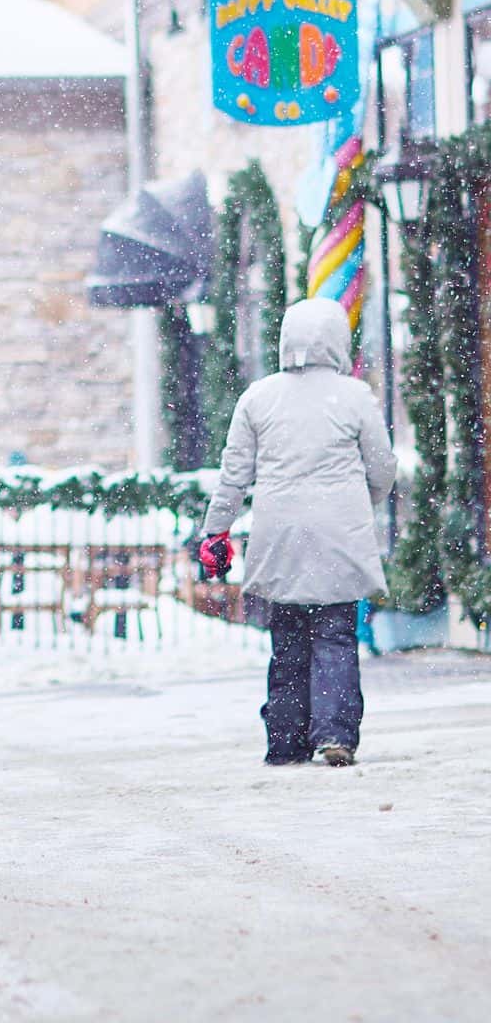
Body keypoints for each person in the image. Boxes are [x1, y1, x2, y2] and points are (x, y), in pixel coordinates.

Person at [198, 296, 396, 768]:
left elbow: (233, 475)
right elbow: (383, 467)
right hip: (338, 539)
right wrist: (359, 501)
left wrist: (215, 530)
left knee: (287, 639)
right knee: (334, 636)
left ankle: (285, 738)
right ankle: (334, 733)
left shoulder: (258, 397)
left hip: (279, 537)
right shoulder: (354, 397)